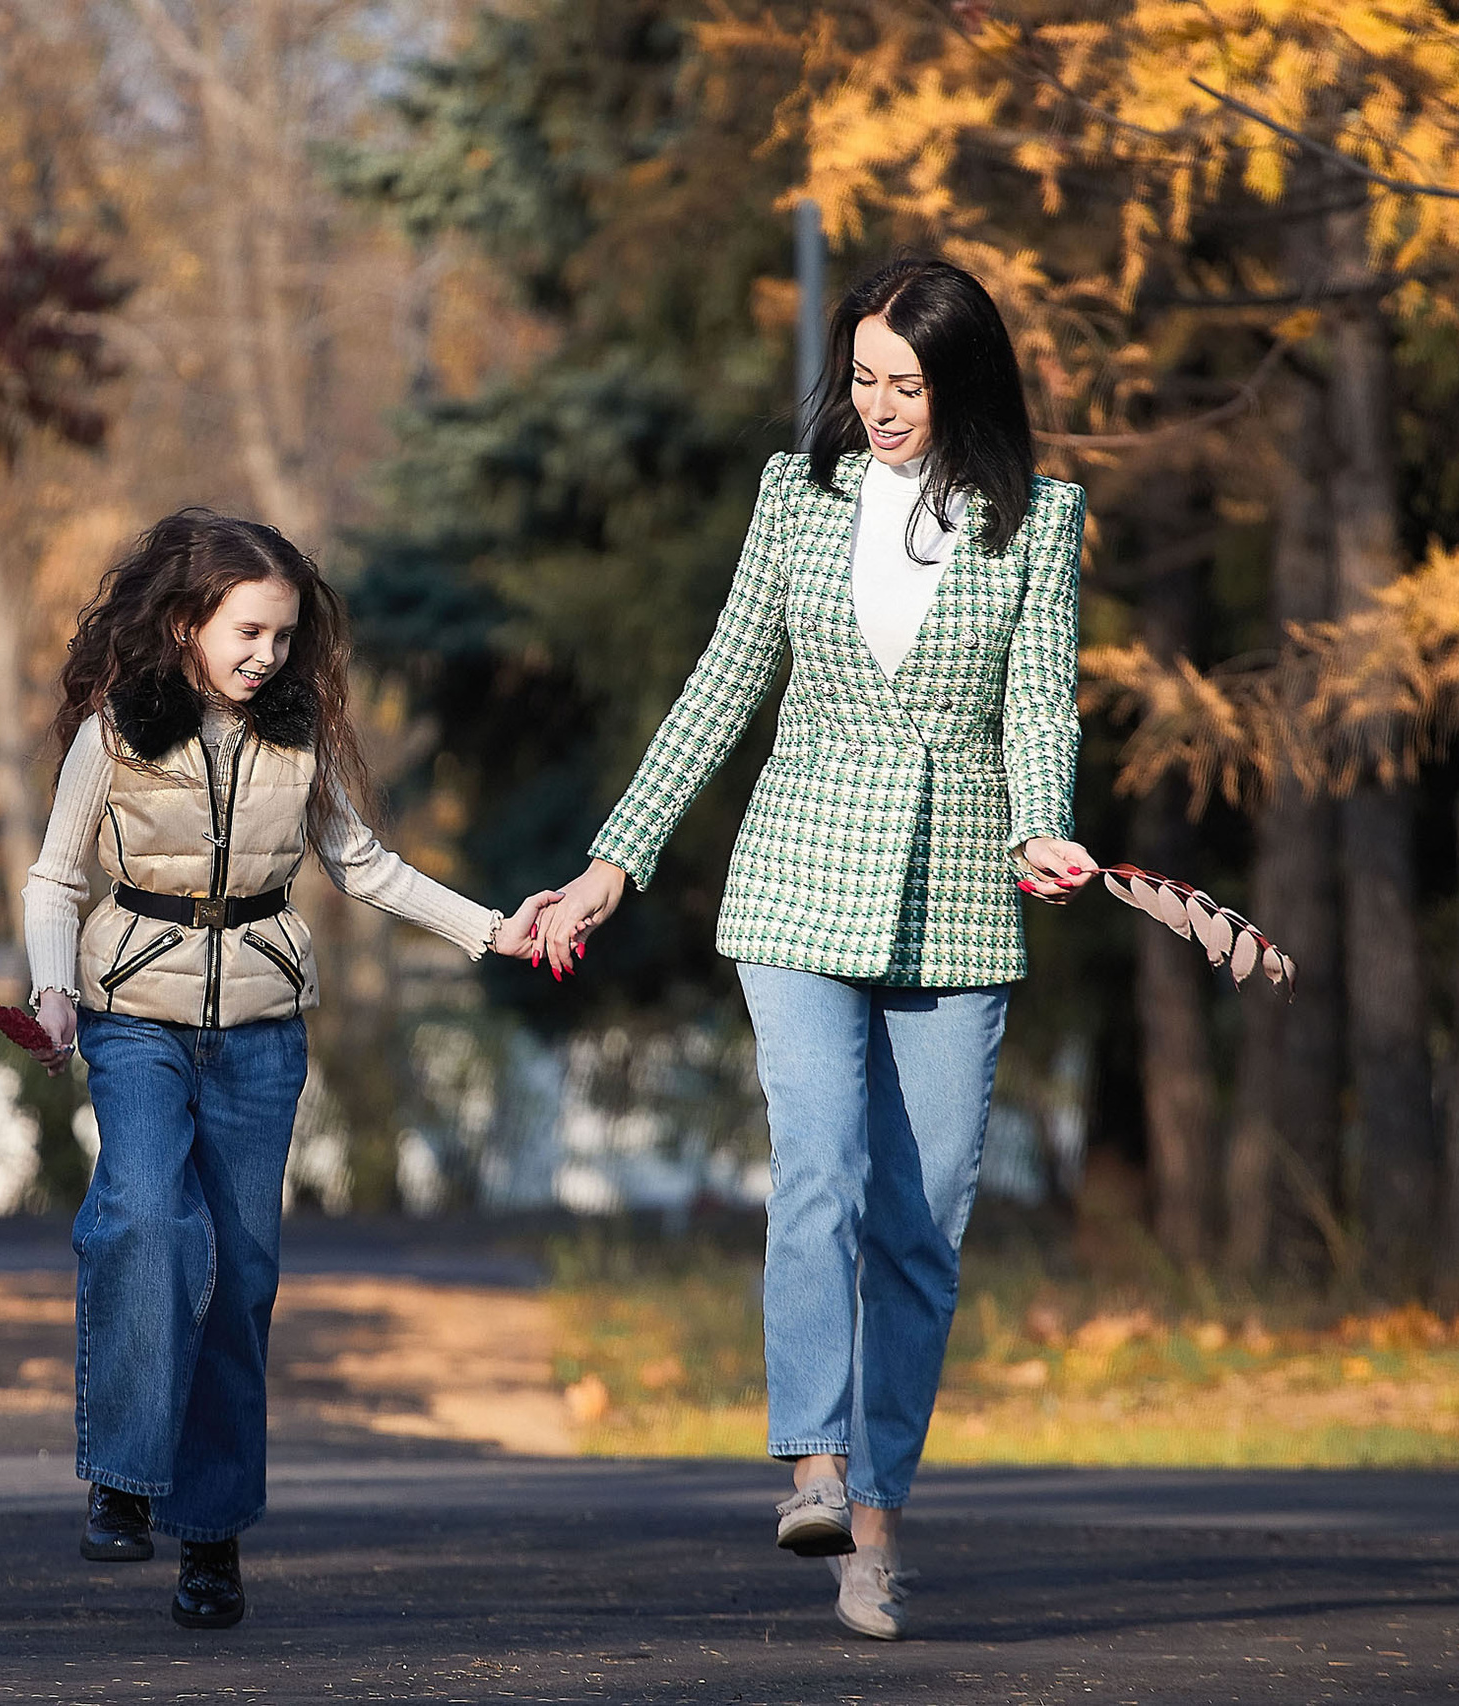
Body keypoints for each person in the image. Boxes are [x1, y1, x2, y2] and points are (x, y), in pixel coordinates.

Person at [533, 252, 1096, 1640]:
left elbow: (1040, 706)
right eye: (863, 380)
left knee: (923, 1225)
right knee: (823, 1168)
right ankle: (813, 1463)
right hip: (797, 880)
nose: (882, 406)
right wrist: (621, 855)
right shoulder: (798, 498)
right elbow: (724, 681)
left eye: (907, 383)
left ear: (963, 382)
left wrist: (1047, 825)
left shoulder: (1042, 521)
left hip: (961, 894)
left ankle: (880, 1522)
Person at [18, 509, 556, 1630]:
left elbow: (365, 865)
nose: (268, 654)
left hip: (262, 1031)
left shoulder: (298, 737)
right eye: (248, 632)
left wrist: (489, 928)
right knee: (144, 1216)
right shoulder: (116, 732)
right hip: (132, 1014)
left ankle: (209, 1539)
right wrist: (51, 986)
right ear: (185, 624)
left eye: (284, 636)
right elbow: (55, 879)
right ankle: (122, 1473)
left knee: (244, 1280)